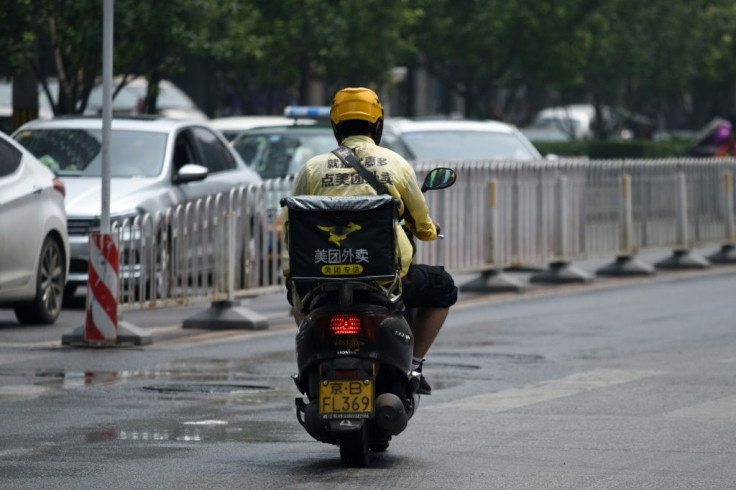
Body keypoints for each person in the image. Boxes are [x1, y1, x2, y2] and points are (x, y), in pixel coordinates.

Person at [282, 87, 457, 394]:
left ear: (336, 127)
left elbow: (291, 226)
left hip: (319, 278)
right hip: (386, 280)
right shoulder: (396, 164)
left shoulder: (312, 169)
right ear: (378, 125)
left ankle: (314, 354)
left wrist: (292, 275)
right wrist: (428, 231)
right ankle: (414, 365)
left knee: (294, 290)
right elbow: (421, 221)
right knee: (443, 287)